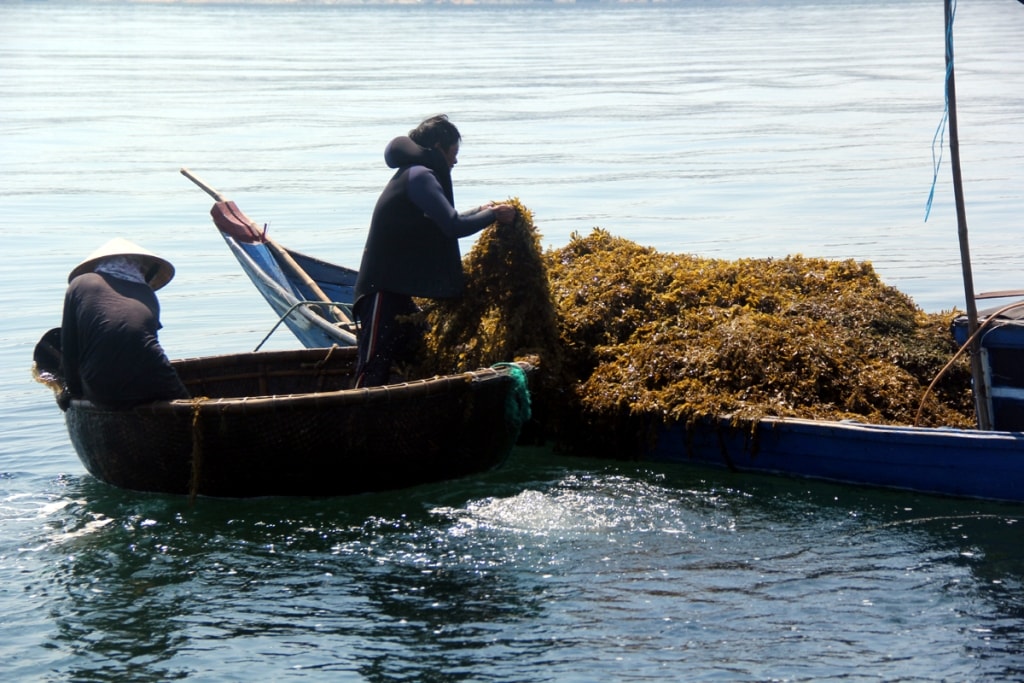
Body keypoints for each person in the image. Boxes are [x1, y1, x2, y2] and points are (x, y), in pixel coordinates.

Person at [353, 114, 516, 387]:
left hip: (398, 291)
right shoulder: (420, 176)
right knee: (373, 368)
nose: (455, 161)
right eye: (454, 152)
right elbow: (452, 226)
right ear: (439, 147)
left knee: (424, 351)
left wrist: (481, 210)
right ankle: (356, 423)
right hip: (379, 290)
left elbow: (445, 220)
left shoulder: (414, 174)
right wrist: (494, 216)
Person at [60, 237, 190, 409]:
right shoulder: (148, 294)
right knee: (187, 405)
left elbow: (69, 347)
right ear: (141, 268)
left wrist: (72, 392)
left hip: (100, 388)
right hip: (155, 378)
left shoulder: (81, 283)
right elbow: (145, 344)